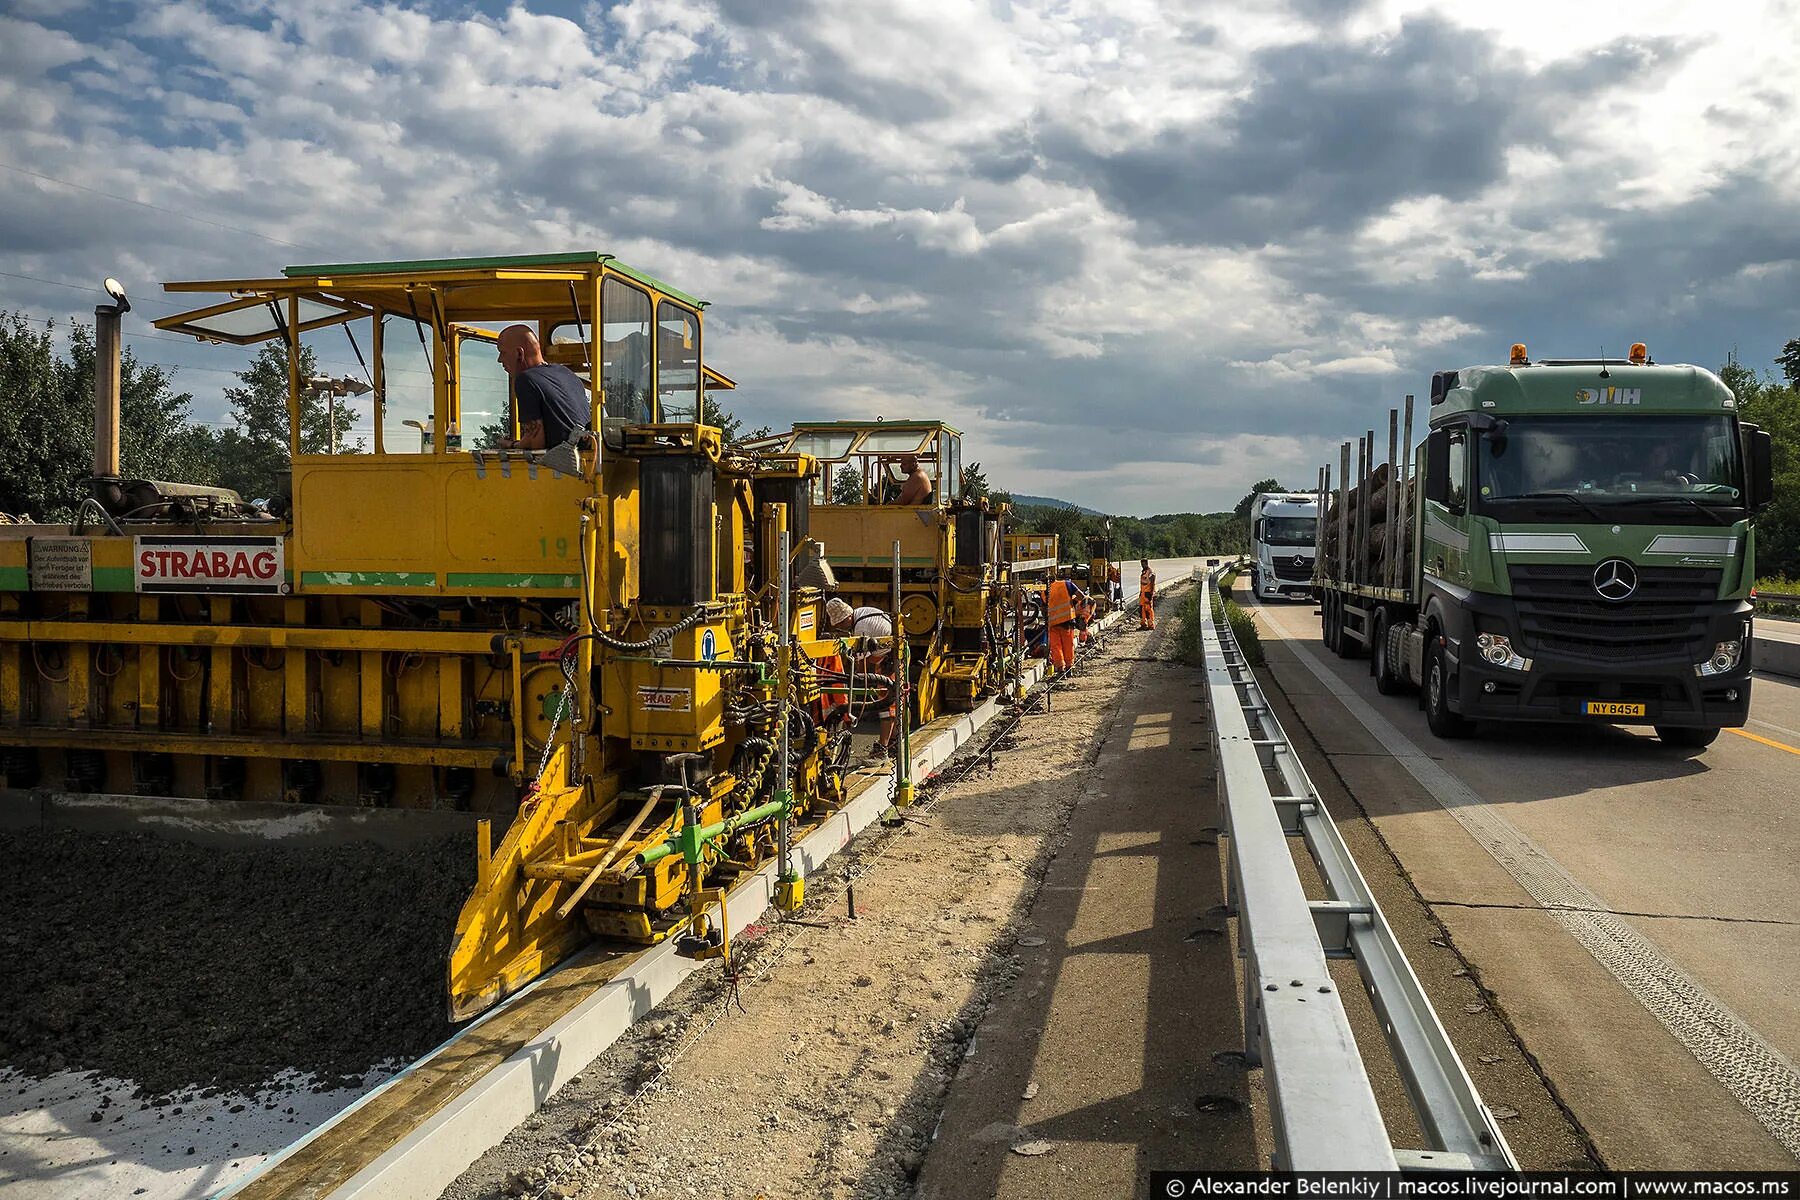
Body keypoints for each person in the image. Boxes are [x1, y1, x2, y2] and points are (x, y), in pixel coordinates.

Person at [496, 325, 591, 450]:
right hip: (583, 456)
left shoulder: (526, 379)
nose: (499, 360)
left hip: (560, 463)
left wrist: (510, 445)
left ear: (519, 354)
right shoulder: (567, 373)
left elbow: (535, 443)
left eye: (502, 353)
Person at [826, 597, 899, 759]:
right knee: (894, 703)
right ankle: (894, 742)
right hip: (890, 656)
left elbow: (862, 665)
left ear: (847, 618)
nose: (840, 629)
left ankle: (883, 748)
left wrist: (851, 687)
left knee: (887, 706)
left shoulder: (860, 629)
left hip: (890, 660)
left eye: (840, 625)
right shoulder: (862, 612)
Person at [1045, 568, 1087, 676]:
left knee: (1056, 646)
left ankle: (1060, 668)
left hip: (1053, 623)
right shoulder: (1067, 584)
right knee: (1068, 645)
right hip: (1067, 621)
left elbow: (1043, 608)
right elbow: (1082, 596)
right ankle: (1069, 667)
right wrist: (1072, 603)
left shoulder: (1045, 590)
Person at [1138, 558, 1157, 630]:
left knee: (1148, 609)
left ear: (1147, 563)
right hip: (1143, 593)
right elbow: (1143, 584)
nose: (1142, 565)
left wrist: (1151, 594)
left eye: (1143, 564)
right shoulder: (1144, 572)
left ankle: (1151, 625)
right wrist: (1140, 592)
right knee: (1142, 609)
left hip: (1148, 593)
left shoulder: (1150, 572)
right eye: (1141, 564)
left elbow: (1152, 583)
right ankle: (1143, 624)